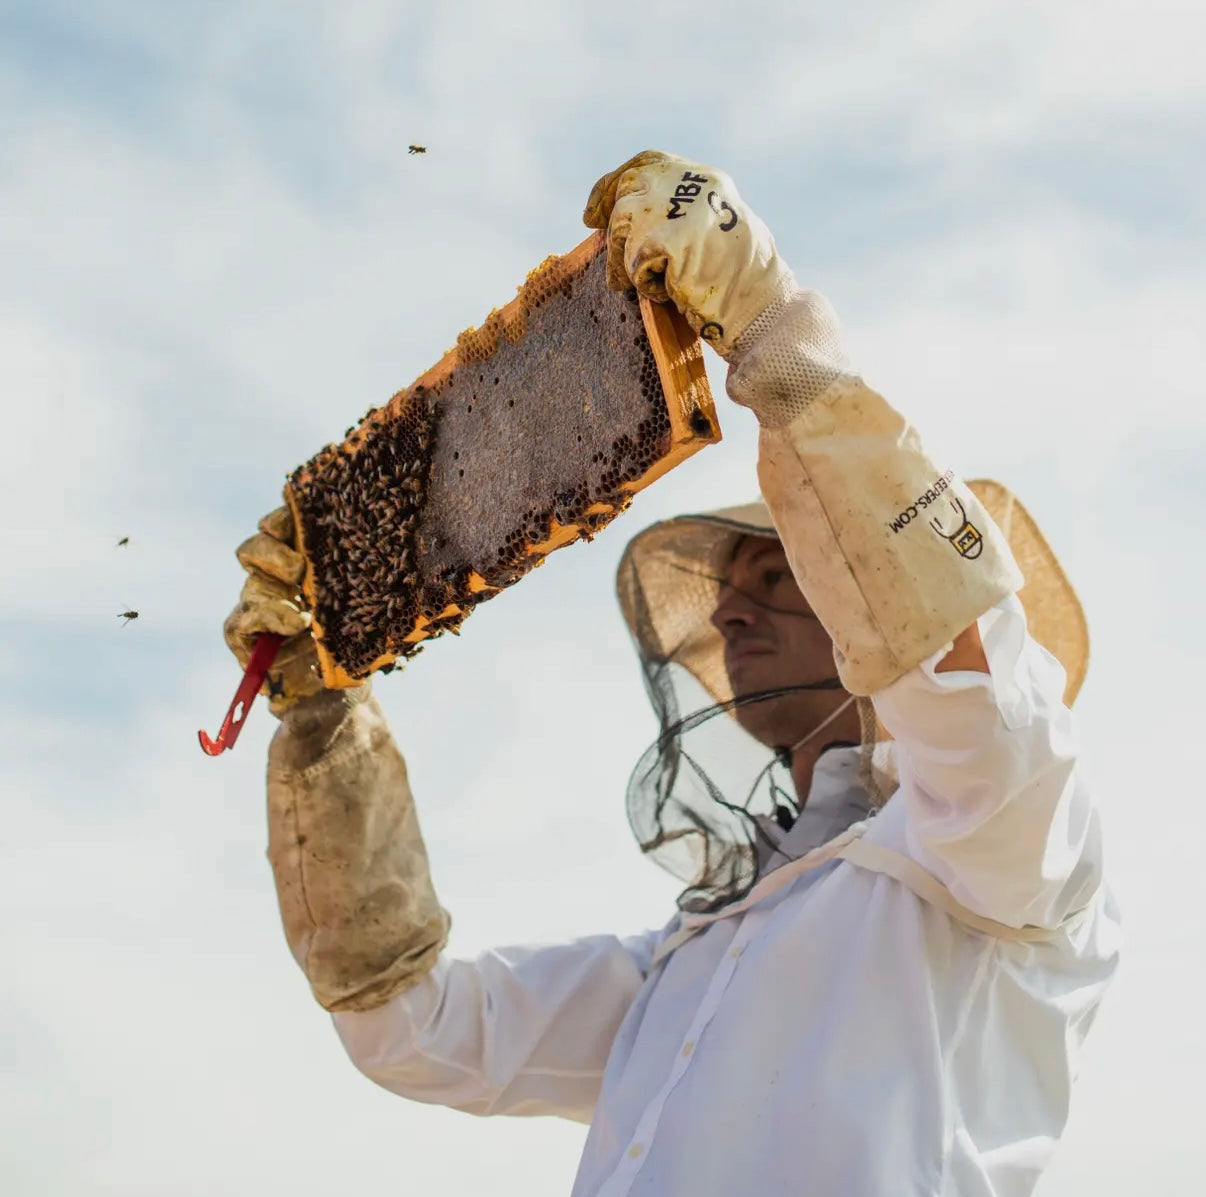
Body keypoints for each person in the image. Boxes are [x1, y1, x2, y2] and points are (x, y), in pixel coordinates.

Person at [224, 152, 1120, 1196]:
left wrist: (778, 337)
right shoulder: (690, 957)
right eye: (731, 587)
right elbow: (413, 1030)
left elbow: (967, 681)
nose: (733, 608)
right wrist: (324, 722)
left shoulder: (1016, 851)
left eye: (778, 570)